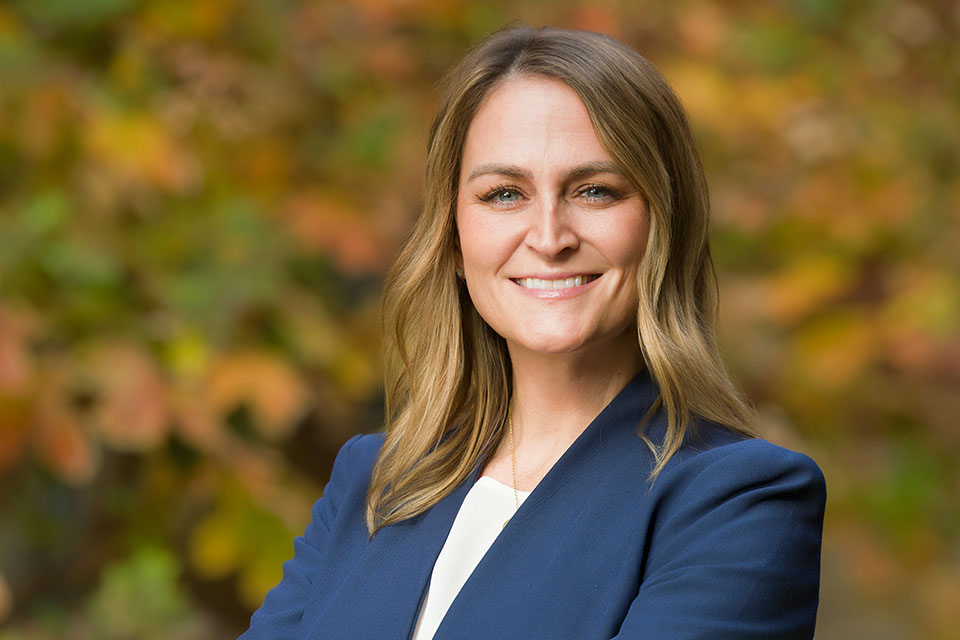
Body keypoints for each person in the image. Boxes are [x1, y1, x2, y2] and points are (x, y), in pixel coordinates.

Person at [240, 25, 826, 640]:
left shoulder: (738, 503)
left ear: (662, 224)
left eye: (595, 191)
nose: (549, 238)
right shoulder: (374, 479)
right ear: (454, 236)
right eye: (504, 194)